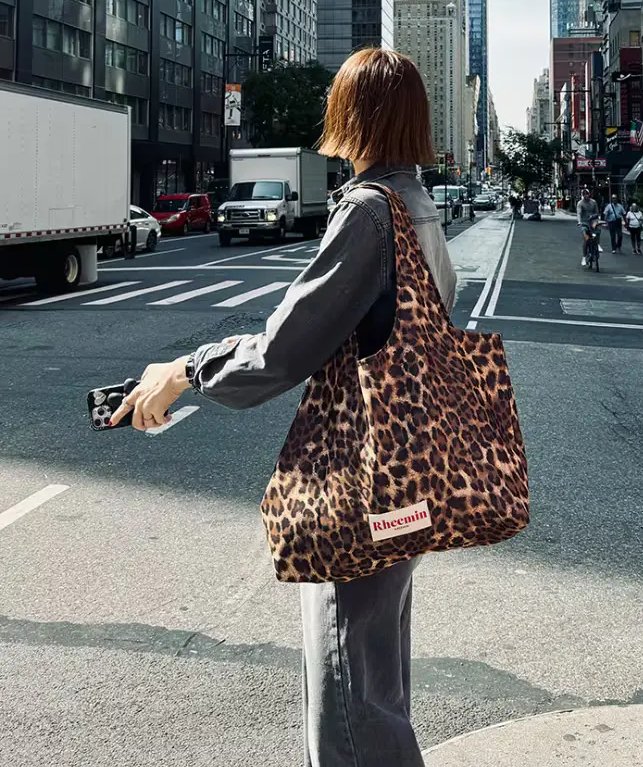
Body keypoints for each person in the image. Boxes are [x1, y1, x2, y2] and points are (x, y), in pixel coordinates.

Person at [109, 47, 457, 767]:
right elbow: (347, 336)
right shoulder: (421, 207)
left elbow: (283, 349)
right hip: (411, 482)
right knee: (376, 684)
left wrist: (186, 368)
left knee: (349, 702)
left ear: (350, 116)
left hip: (359, 487)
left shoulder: (369, 211)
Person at [577, 188, 600, 266]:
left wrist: (593, 216)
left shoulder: (593, 202)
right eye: (584, 194)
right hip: (584, 222)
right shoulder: (580, 203)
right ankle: (584, 257)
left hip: (593, 221)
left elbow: (597, 213)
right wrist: (579, 221)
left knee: (597, 229)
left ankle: (598, 244)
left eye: (587, 194)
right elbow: (579, 213)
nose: (586, 195)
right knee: (586, 239)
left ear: (589, 194)